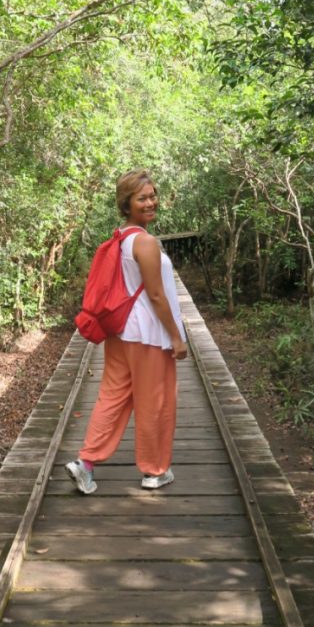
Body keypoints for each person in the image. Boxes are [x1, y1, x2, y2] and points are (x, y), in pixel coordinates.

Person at [65, 168, 187, 495]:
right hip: (148, 335)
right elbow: (157, 295)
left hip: (120, 334)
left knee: (113, 397)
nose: (150, 202)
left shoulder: (121, 239)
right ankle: (154, 471)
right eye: (142, 198)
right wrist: (176, 337)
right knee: (155, 402)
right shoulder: (144, 242)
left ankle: (85, 463)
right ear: (127, 203)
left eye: (152, 195)